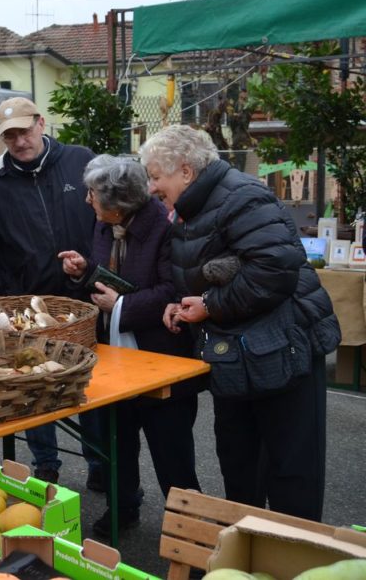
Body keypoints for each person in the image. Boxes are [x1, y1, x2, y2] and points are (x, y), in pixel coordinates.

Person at [139, 124, 339, 521]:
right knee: (239, 461)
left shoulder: (242, 196)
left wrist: (211, 305)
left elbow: (274, 271)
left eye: (155, 176)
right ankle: (247, 554)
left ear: (185, 171)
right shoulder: (193, 207)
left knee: (291, 470)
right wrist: (184, 304)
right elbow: (210, 271)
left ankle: (293, 560)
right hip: (240, 356)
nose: (151, 188)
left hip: (285, 350)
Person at [58, 155, 201, 537]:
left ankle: (190, 529)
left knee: (171, 453)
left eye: (93, 194)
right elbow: (110, 277)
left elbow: (175, 291)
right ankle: (123, 507)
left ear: (119, 203)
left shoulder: (167, 228)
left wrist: (120, 306)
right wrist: (84, 271)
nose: (87, 200)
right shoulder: (106, 224)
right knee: (117, 442)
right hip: (116, 357)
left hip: (162, 360)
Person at [0, 97, 95, 485]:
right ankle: (46, 464)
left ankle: (100, 464)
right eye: (10, 136)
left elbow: (106, 221)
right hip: (26, 304)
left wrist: (93, 269)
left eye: (24, 131)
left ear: (42, 123)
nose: (19, 141)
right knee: (32, 385)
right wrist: (5, 296)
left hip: (84, 296)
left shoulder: (80, 161)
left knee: (91, 384)